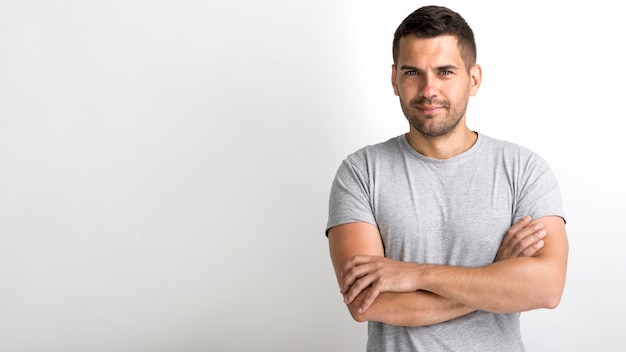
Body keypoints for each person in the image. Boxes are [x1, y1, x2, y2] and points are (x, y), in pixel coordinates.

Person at [325, 5, 568, 351]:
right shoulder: (361, 173)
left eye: (445, 72)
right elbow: (368, 303)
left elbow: (547, 287)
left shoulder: (523, 169)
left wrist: (416, 275)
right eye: (412, 72)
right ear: (394, 79)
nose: (428, 89)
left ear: (473, 79)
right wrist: (497, 276)